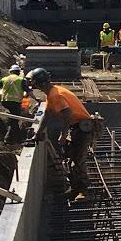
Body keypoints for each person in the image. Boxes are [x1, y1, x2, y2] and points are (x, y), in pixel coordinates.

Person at [26, 68, 100, 200]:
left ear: (40, 83)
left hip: (82, 129)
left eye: (34, 83)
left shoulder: (56, 95)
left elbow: (67, 114)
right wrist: (37, 133)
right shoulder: (51, 93)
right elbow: (47, 115)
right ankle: (74, 188)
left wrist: (64, 134)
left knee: (78, 159)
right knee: (69, 158)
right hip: (76, 128)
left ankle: (84, 191)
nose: (33, 85)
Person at [0, 65, 27, 143]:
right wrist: (36, 98)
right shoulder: (21, 80)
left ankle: (15, 139)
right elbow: (28, 90)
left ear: (10, 71)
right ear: (18, 72)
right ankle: (10, 139)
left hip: (5, 102)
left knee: (13, 120)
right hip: (15, 103)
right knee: (14, 121)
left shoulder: (4, 79)